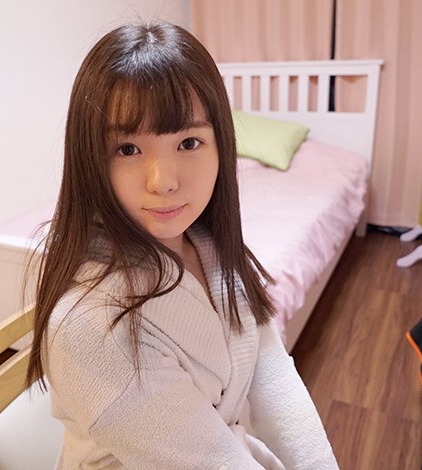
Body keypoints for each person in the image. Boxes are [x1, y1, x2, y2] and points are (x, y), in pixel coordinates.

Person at [26, 21, 339, 469]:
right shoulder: (91, 326)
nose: (164, 182)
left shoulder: (207, 242)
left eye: (189, 142)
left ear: (221, 146)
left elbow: (270, 372)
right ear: (89, 157)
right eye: (128, 149)